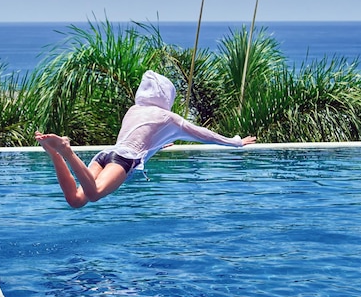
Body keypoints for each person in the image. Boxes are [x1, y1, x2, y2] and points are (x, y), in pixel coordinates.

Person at [36, 70, 256, 208]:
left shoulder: (134, 110)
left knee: (76, 200)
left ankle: (54, 154)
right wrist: (235, 141)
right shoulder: (169, 117)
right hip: (122, 160)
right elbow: (203, 134)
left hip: (105, 154)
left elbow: (142, 137)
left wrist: (159, 145)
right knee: (94, 194)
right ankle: (65, 150)